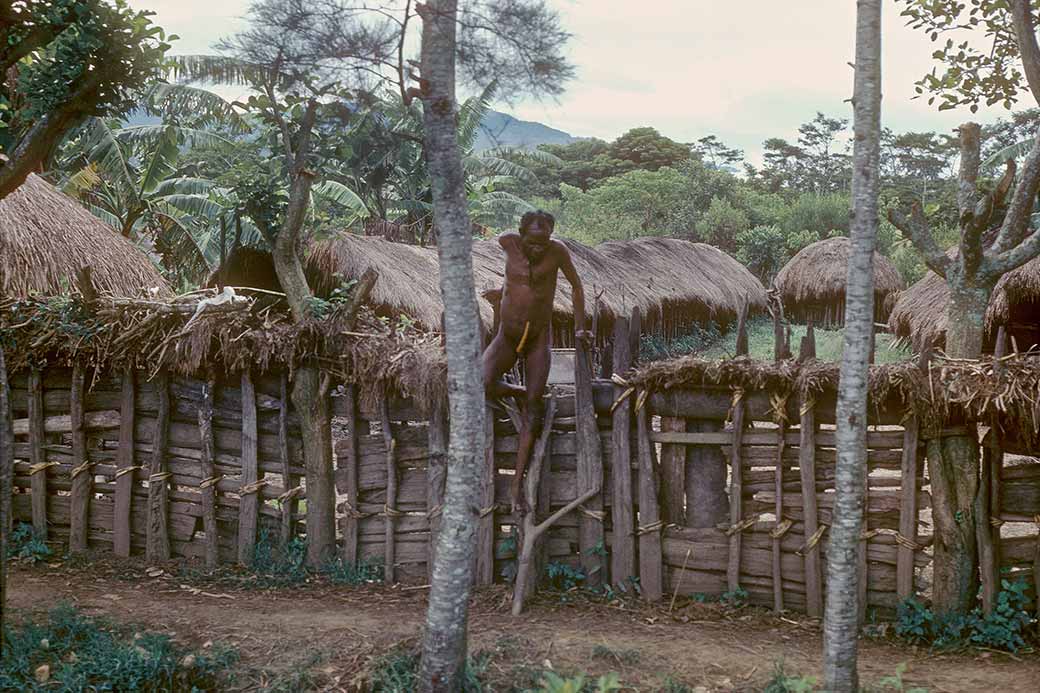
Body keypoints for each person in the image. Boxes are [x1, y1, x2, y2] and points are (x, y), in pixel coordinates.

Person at [482, 210, 590, 513]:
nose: (538, 247)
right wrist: (501, 293)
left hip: (538, 338)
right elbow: (514, 281)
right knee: (480, 381)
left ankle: (517, 482)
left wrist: (581, 325)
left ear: (551, 237)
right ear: (520, 234)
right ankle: (519, 391)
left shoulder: (558, 253)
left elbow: (577, 287)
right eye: (532, 241)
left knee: (533, 409)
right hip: (507, 335)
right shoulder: (508, 242)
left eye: (544, 241)